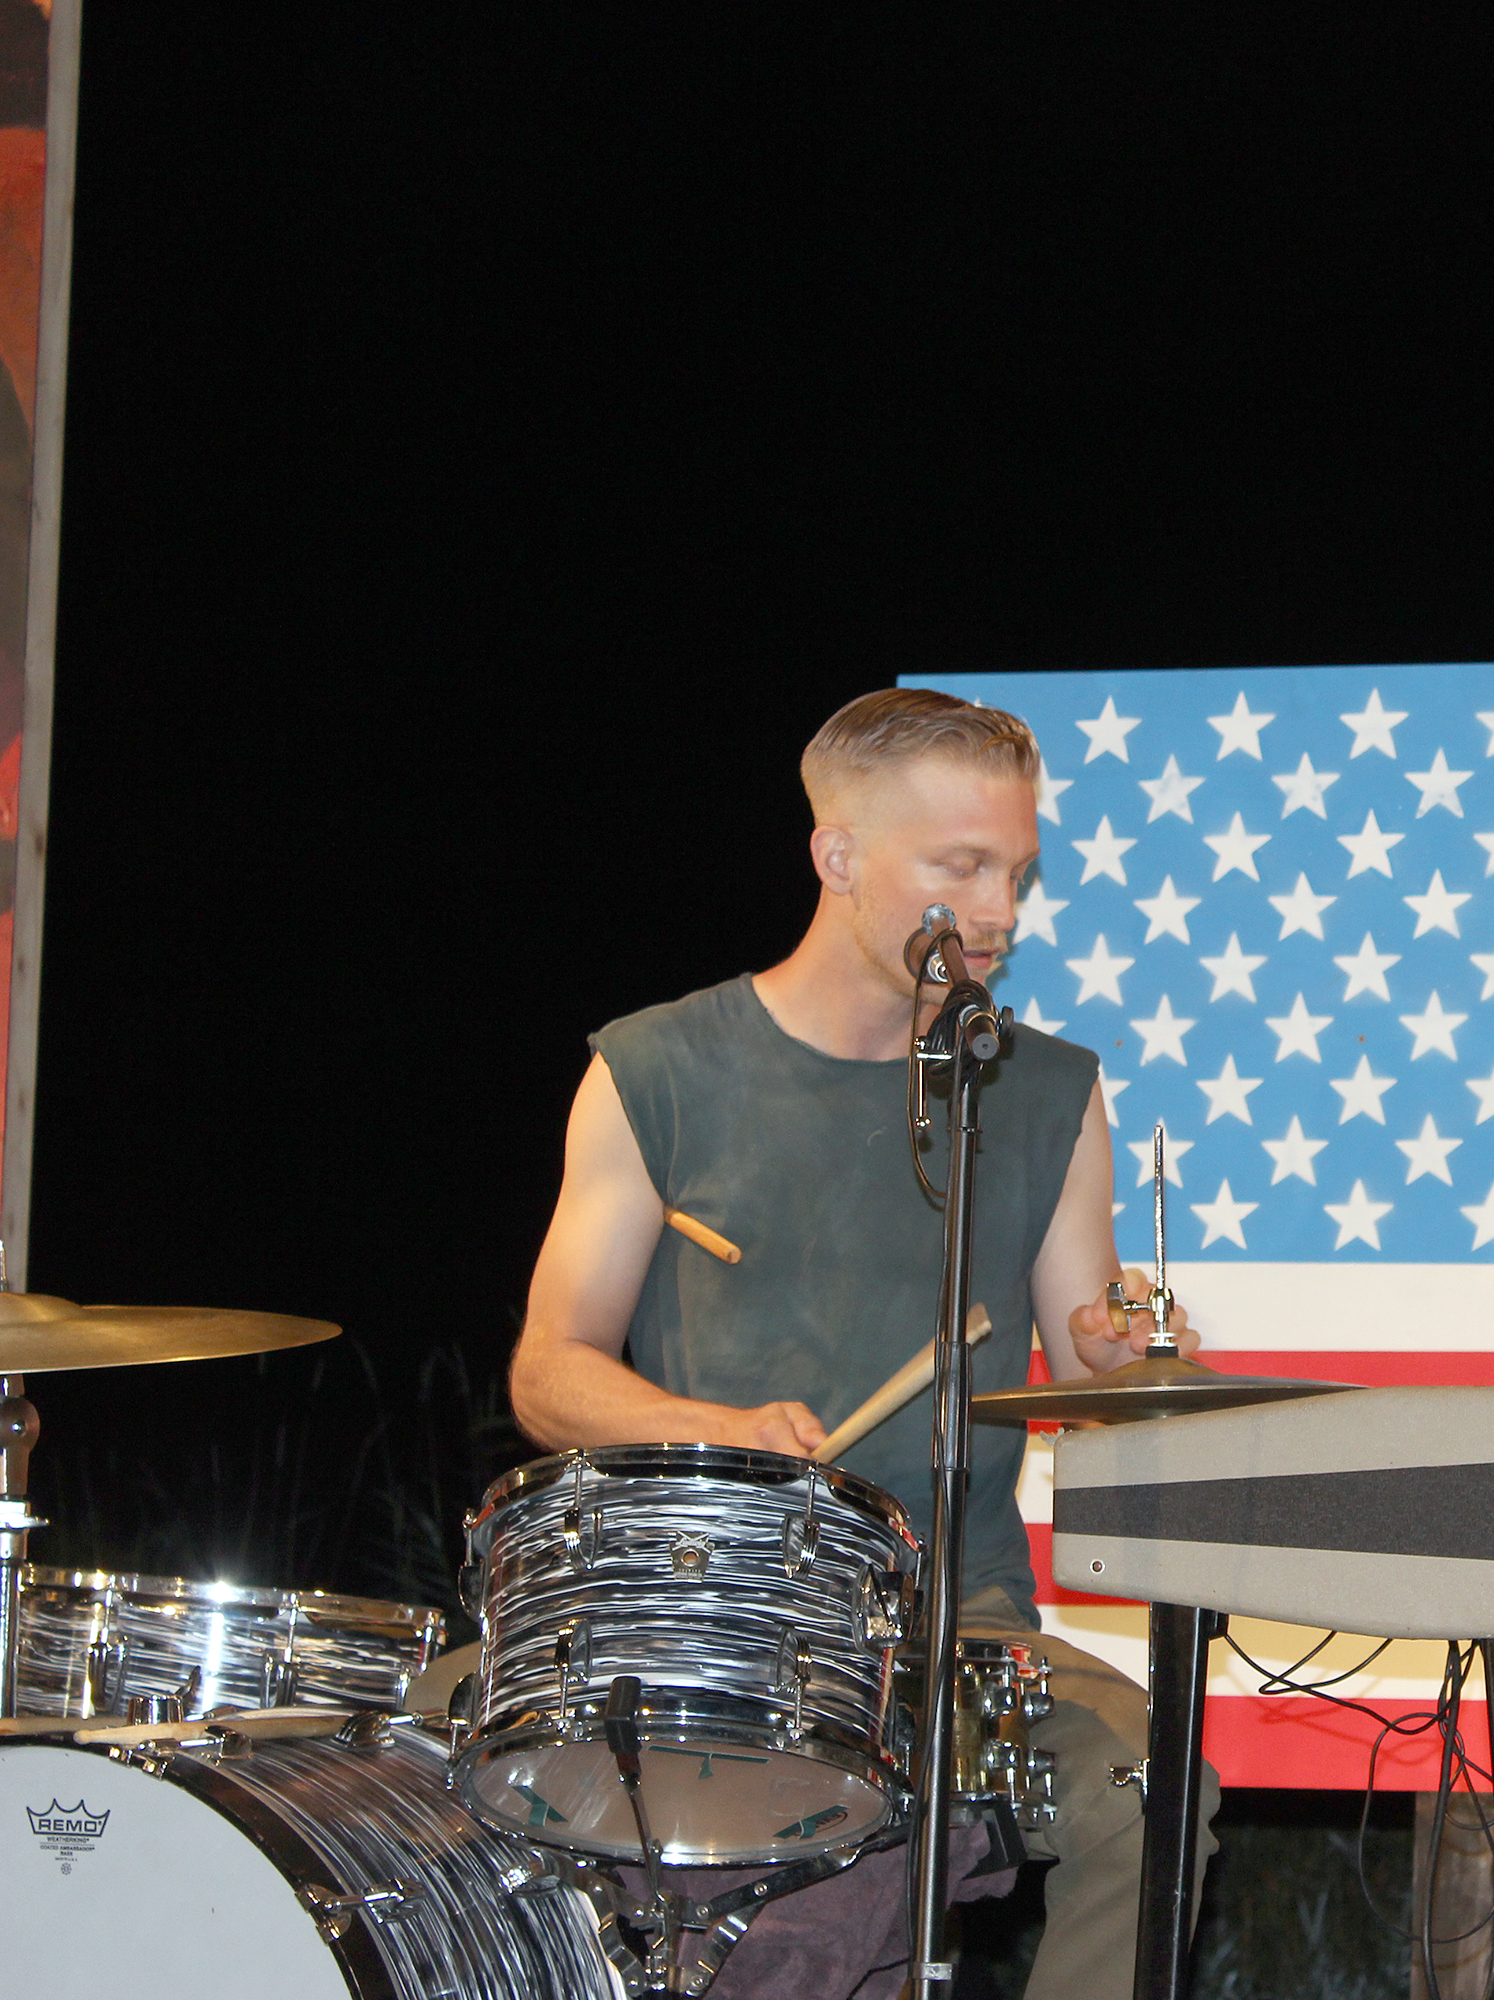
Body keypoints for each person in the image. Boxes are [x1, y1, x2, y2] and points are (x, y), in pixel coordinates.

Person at [509, 686, 1216, 1999]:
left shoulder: (1046, 1087)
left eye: (1017, 869)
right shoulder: (657, 1069)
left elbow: (1086, 1341)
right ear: (838, 857)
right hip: (705, 1617)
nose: (1001, 909)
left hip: (958, 1629)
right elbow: (548, 1375)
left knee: (1147, 1777)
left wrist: (1128, 1339)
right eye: (963, 868)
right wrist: (719, 1434)